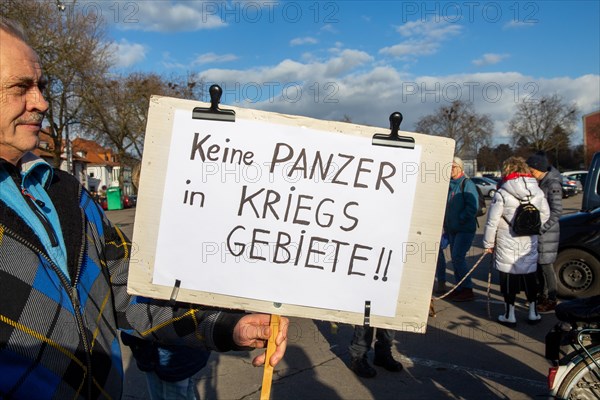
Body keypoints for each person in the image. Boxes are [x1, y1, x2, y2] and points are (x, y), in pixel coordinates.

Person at [0, 18, 288, 399]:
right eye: (21, 88)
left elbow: (130, 292)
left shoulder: (66, 191)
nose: (41, 102)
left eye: (41, 86)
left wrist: (229, 326)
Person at [483, 157, 550, 326]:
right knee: (529, 275)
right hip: (529, 239)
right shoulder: (537, 191)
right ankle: (533, 312)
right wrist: (533, 227)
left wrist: (488, 243)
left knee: (508, 277)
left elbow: (492, 221)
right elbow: (546, 215)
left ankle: (509, 314)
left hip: (507, 239)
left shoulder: (502, 193)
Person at [436, 156, 479, 301]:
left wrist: (460, 218)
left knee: (458, 257)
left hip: (464, 229)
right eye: (449, 167)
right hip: (451, 229)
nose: (450, 170)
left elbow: (473, 207)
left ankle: (467, 288)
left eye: (453, 167)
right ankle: (459, 287)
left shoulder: (467, 184)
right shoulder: (449, 185)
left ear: (460, 168)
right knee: (455, 259)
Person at [526, 152, 563, 314]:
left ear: (539, 169)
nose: (531, 174)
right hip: (542, 233)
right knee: (541, 266)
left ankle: (552, 299)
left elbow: (556, 211)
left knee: (547, 267)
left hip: (547, 234)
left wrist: (541, 228)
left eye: (532, 171)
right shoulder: (543, 182)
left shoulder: (552, 184)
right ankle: (543, 296)